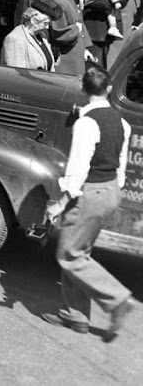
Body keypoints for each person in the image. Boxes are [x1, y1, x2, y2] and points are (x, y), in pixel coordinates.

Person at [49, 65, 136, 339]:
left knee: (68, 255)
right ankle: (75, 315)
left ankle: (117, 299)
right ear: (109, 89)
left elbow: (77, 169)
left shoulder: (86, 123)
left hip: (90, 192)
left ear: (83, 90)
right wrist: (112, 192)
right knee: (79, 251)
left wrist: (61, 202)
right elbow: (121, 165)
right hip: (110, 191)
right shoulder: (121, 123)